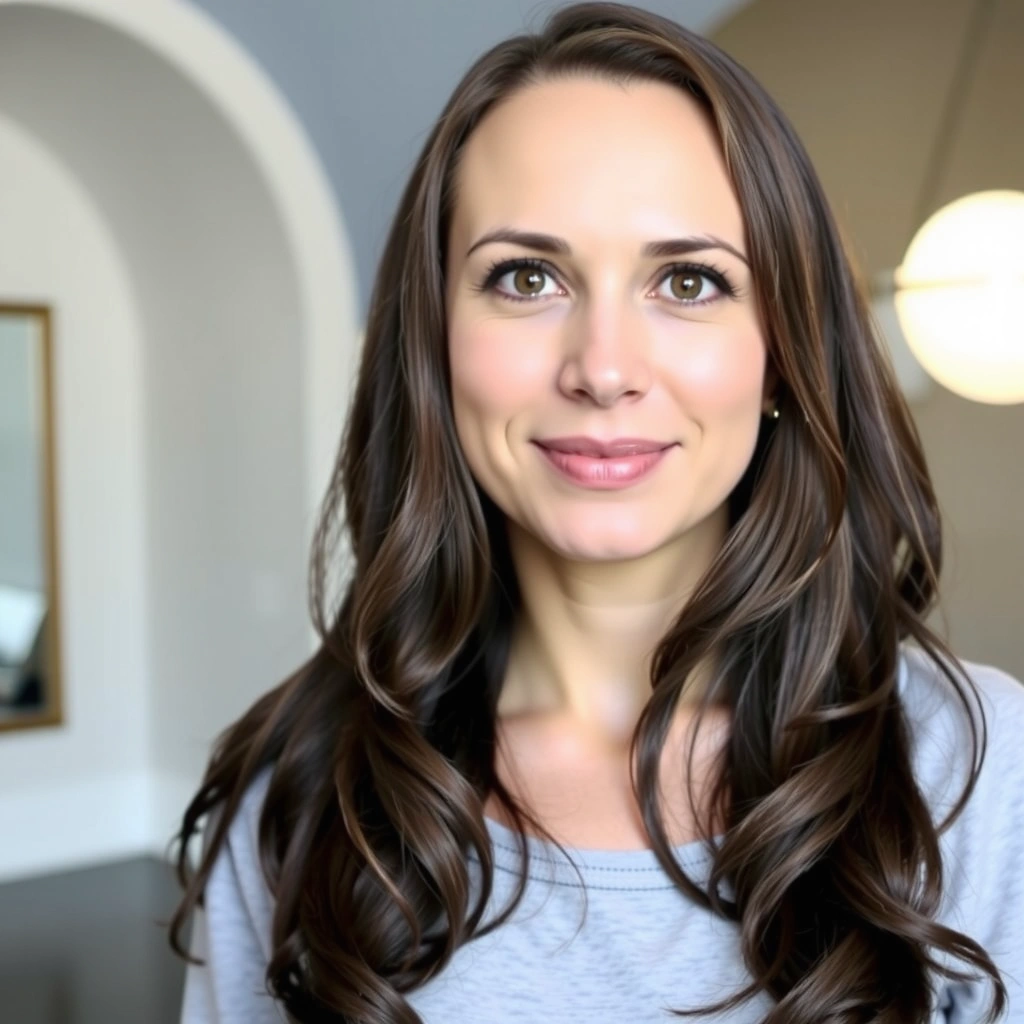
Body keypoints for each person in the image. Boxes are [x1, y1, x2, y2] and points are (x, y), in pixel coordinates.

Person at [166, 3, 1024, 1022]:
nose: (604, 368)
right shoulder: (298, 787)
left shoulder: (973, 771)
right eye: (526, 277)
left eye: (689, 280)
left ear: (782, 353)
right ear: (434, 346)